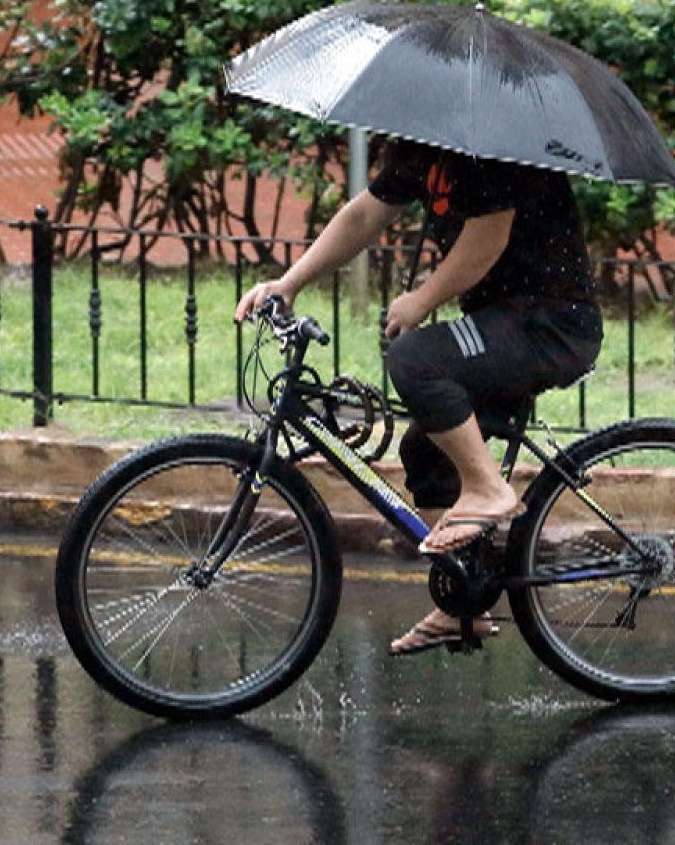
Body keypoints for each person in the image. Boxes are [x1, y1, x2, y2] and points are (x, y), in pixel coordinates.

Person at [234, 138, 602, 655]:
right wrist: (289, 284)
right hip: (504, 322)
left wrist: (423, 300)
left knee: (415, 359)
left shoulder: (490, 144)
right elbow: (365, 215)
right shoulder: (424, 150)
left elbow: (488, 237)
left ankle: (488, 489)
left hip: (549, 324)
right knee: (426, 447)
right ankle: (462, 606)